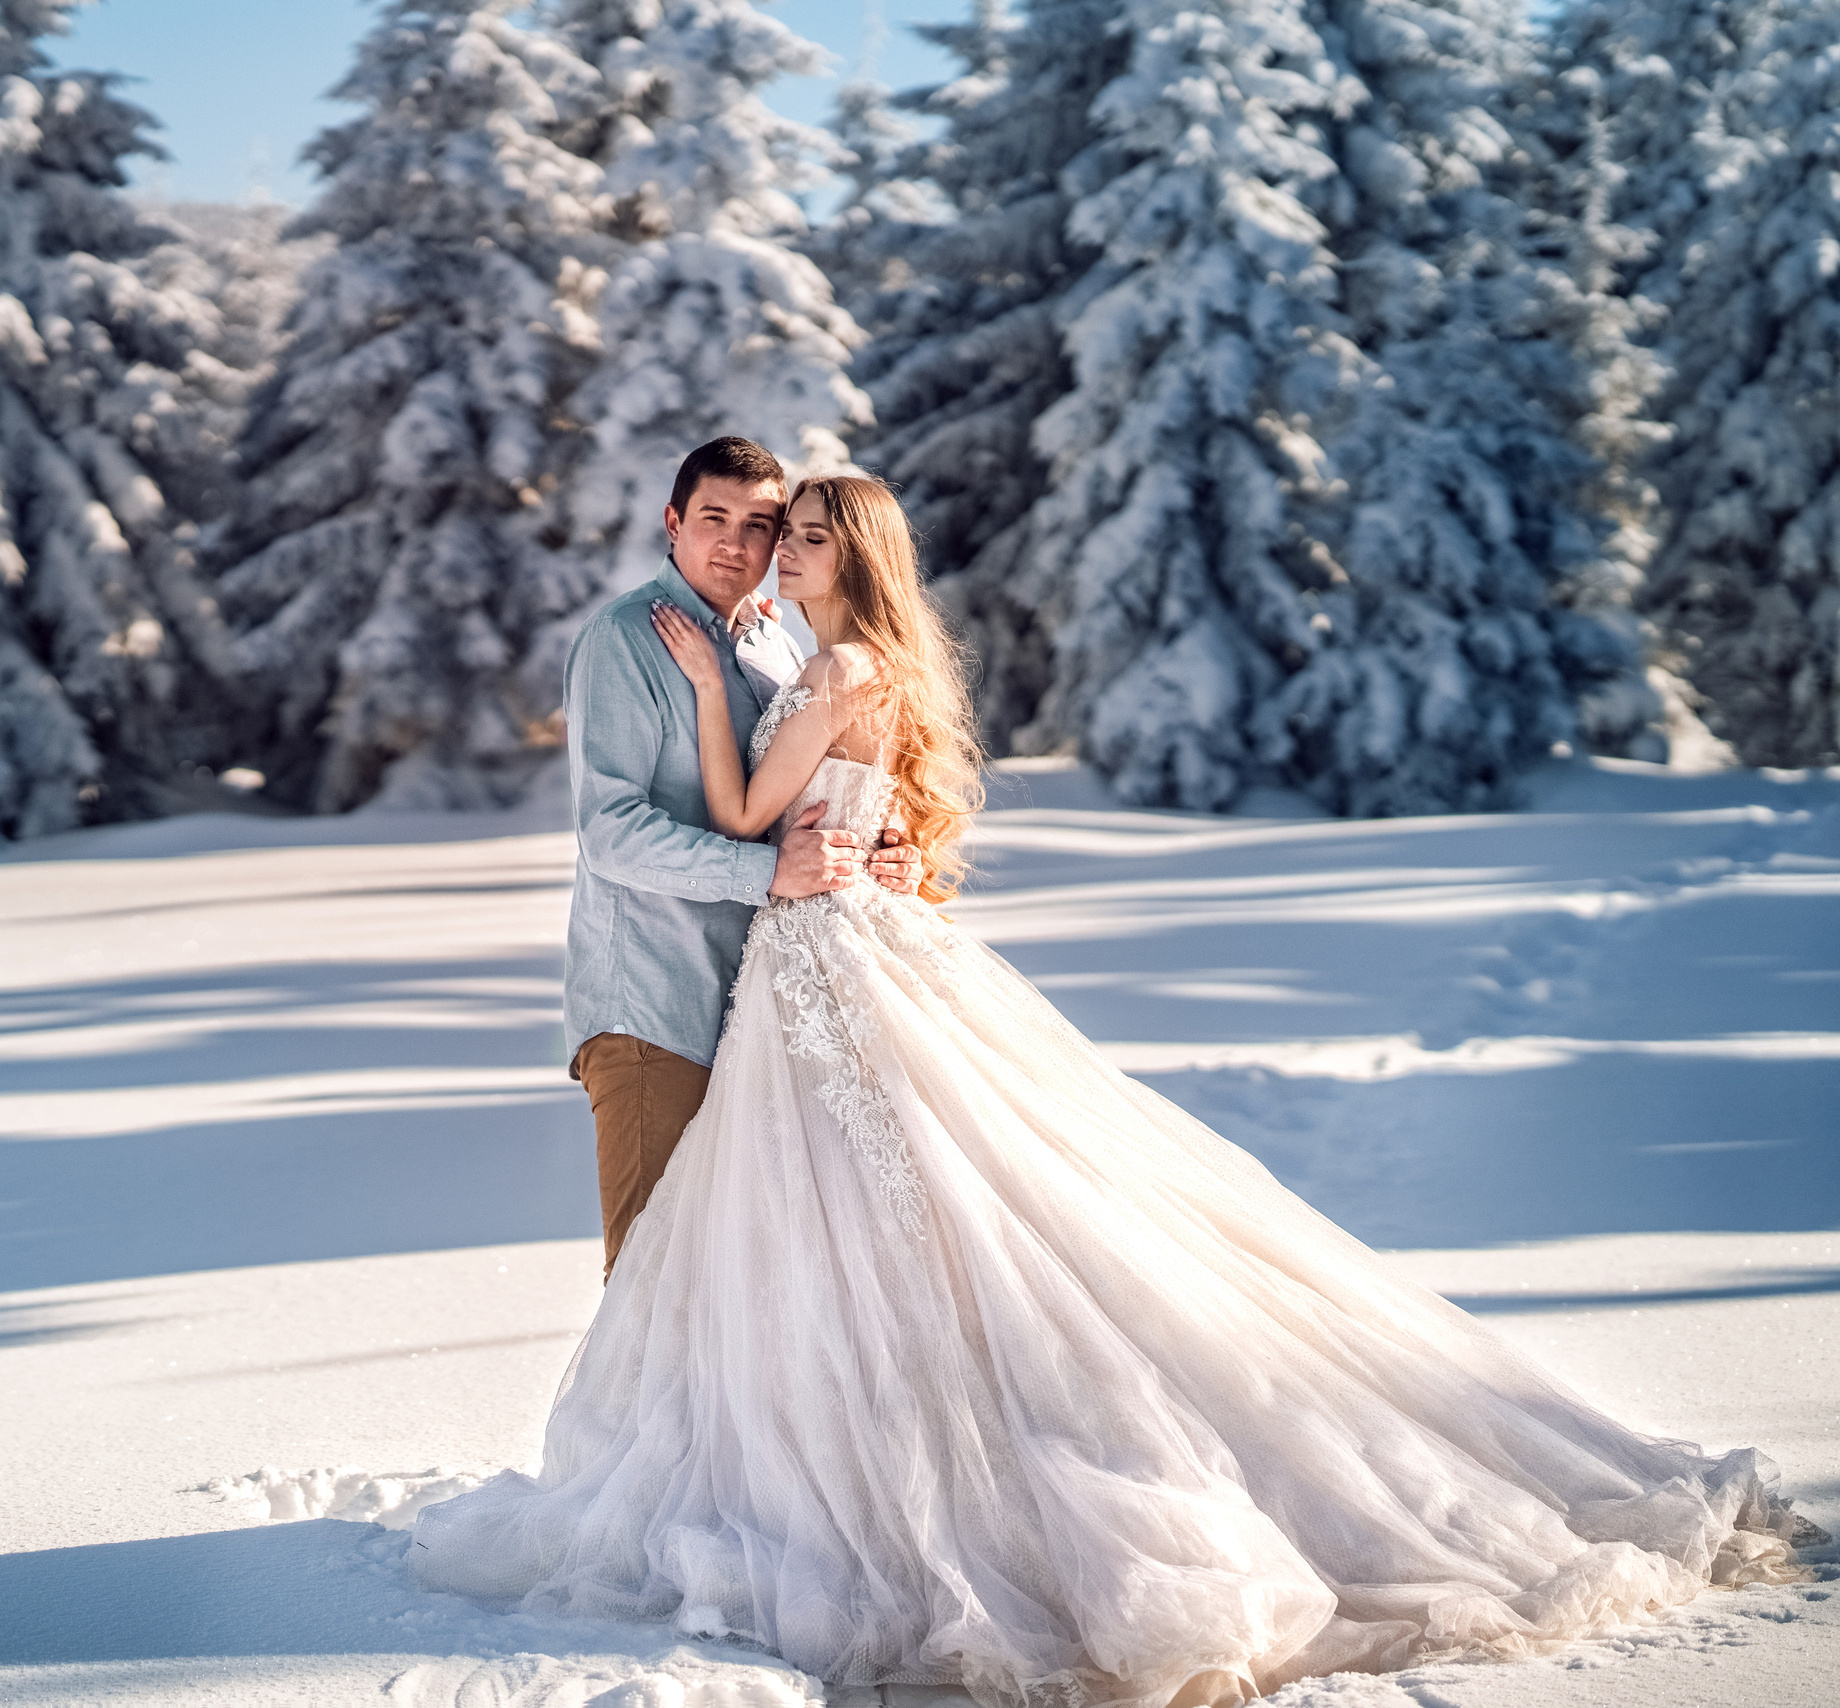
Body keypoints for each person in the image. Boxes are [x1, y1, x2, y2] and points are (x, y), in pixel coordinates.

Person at [408, 474, 1817, 1707]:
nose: (780, 554)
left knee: (894, 1221)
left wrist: (724, 705)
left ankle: (866, 1474)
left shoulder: (818, 667)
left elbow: (737, 817)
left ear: (858, 557)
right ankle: (796, 1460)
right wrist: (842, 817)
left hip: (824, 964)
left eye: (806, 536)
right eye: (772, 533)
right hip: (810, 965)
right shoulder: (831, 659)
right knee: (874, 1224)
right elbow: (794, 812)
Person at [556, 436, 921, 1280]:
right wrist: (769, 873)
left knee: (748, 1289)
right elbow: (610, 831)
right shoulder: (625, 642)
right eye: (713, 517)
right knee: (657, 1275)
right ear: (673, 521)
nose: (738, 544)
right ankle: (631, 1422)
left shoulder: (770, 646)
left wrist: (879, 849)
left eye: (761, 524)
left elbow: (817, 787)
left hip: (767, 1009)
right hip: (657, 1007)